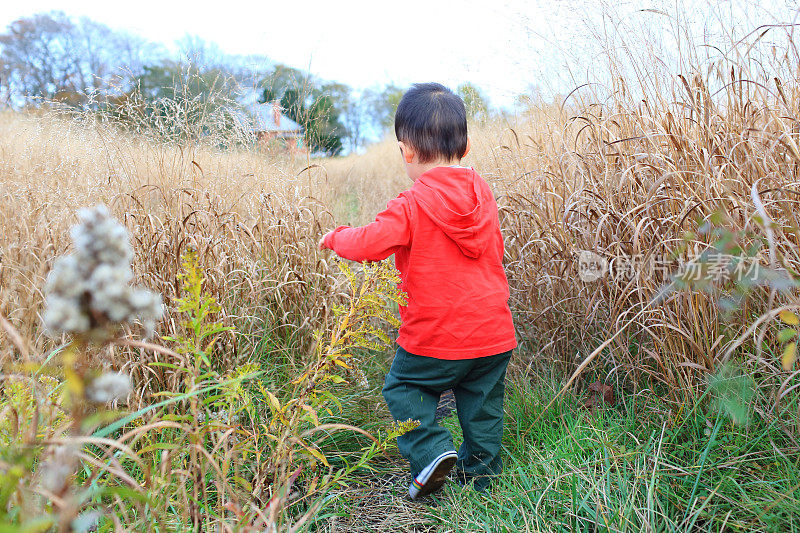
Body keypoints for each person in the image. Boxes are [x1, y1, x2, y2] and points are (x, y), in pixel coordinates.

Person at [318, 82, 516, 499]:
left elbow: (370, 243)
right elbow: (495, 253)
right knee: (482, 405)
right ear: (465, 146)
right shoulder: (485, 197)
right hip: (494, 333)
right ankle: (482, 474)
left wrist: (336, 237)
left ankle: (431, 450)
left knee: (404, 388)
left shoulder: (412, 203)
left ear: (406, 150)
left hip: (436, 336)